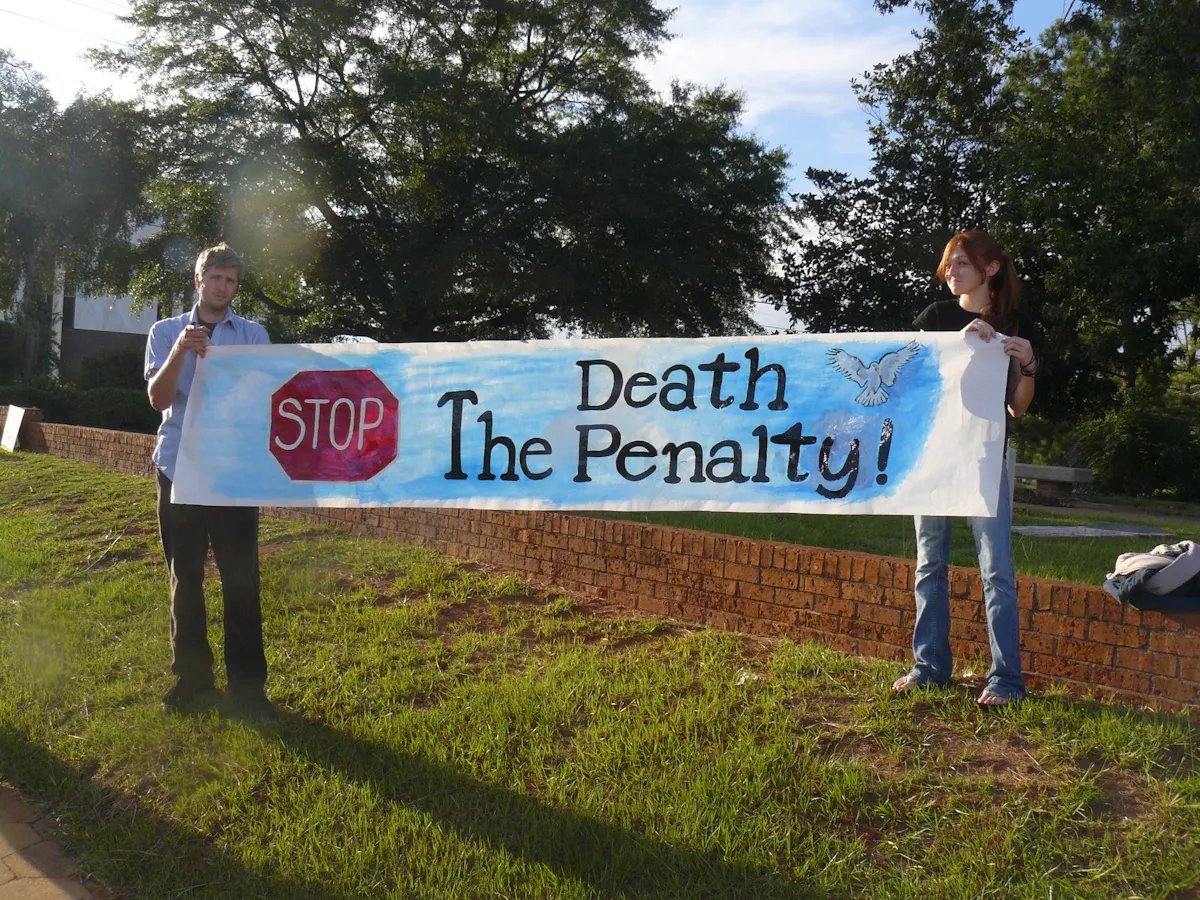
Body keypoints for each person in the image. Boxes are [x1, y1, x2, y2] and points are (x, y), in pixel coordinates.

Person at [892, 230, 1043, 707]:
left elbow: (1018, 407)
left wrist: (1028, 365)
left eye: (961, 263)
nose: (950, 272)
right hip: (933, 457)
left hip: (983, 458)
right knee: (929, 564)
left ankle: (1006, 680)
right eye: (948, 264)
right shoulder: (935, 318)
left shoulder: (1014, 324)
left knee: (996, 569)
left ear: (989, 269)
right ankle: (929, 668)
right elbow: (911, 382)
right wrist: (956, 344)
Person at [144, 243, 274, 716]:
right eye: (216, 278)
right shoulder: (165, 331)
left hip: (232, 473)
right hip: (178, 468)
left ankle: (248, 687)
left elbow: (263, 396)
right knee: (186, 578)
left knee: (241, 580)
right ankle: (192, 681)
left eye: (230, 281)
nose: (223, 287)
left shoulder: (254, 336)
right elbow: (158, 399)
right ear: (199, 280)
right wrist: (182, 349)